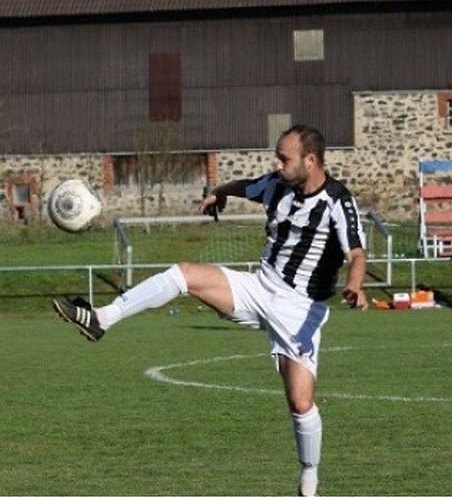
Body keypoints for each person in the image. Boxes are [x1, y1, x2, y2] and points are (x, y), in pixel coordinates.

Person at [52, 124, 367, 497]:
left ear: (310, 160)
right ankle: (101, 318)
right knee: (183, 274)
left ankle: (309, 484)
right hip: (258, 287)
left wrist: (355, 285)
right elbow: (245, 185)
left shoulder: (337, 201)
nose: (278, 165)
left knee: (300, 402)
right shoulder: (277, 184)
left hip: (300, 310)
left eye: (284, 158)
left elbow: (356, 253)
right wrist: (219, 192)